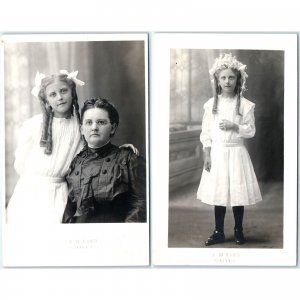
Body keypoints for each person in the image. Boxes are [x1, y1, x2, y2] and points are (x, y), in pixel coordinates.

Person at [6, 70, 137, 224]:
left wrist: (119, 150)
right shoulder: (34, 125)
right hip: (31, 190)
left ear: (72, 93)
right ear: (46, 101)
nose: (59, 97)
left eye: (63, 91)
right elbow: (20, 163)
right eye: (53, 95)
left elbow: (94, 148)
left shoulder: (80, 126)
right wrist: (37, 180)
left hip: (60, 192)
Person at [197, 53, 262, 246]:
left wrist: (235, 127)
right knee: (219, 193)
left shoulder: (244, 105)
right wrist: (207, 155)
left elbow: (251, 131)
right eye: (223, 77)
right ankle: (218, 231)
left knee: (236, 194)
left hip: (236, 153)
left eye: (231, 77)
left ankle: (238, 230)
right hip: (217, 153)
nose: (227, 81)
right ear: (217, 80)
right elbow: (206, 132)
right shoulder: (211, 105)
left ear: (238, 79)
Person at [62, 98, 146, 223]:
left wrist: (125, 233)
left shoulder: (129, 160)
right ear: (81, 129)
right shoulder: (76, 163)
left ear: (112, 128)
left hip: (116, 235)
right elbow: (69, 208)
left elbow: (141, 203)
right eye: (89, 122)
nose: (94, 127)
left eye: (101, 122)